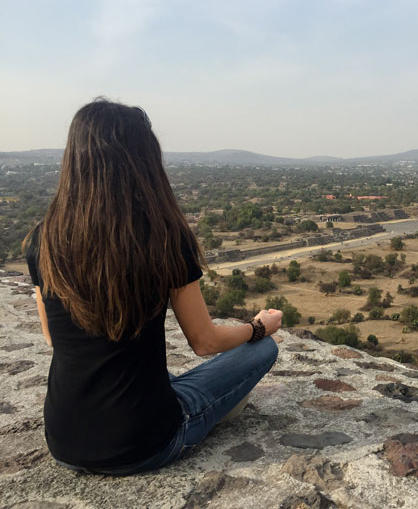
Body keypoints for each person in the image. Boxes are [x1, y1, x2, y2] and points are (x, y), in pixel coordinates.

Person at [23, 98, 281, 476]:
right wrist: (259, 327)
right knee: (262, 350)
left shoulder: (43, 241)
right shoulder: (162, 239)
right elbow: (204, 342)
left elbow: (51, 338)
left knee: (155, 378)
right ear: (143, 162)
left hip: (63, 440)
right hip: (146, 443)